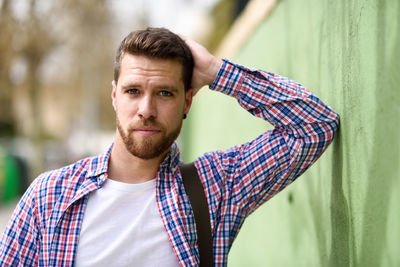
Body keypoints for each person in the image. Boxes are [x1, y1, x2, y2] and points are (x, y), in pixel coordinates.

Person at [0, 27, 339, 266]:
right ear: (114, 96)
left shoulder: (216, 186)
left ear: (187, 101)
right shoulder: (50, 197)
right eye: (133, 91)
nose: (146, 109)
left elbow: (314, 126)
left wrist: (217, 72)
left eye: (164, 93)